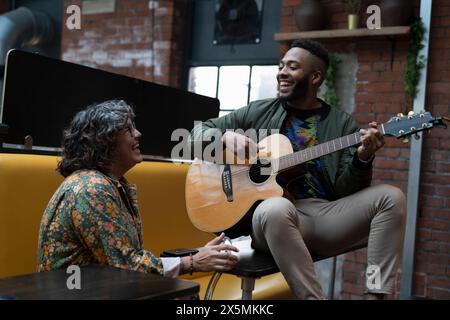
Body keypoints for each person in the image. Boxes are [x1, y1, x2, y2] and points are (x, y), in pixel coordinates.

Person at [190, 39, 406, 299]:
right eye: (282, 66)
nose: (282, 72)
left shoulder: (341, 124)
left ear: (315, 77)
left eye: (292, 67)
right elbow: (193, 135)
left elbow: (346, 190)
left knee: (392, 197)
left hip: (322, 215)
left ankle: (378, 293)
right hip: (269, 219)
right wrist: (223, 137)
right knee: (276, 207)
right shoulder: (258, 111)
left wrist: (363, 157)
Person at [37, 99, 238, 278]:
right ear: (105, 141)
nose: (138, 134)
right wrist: (193, 262)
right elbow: (127, 267)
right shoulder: (92, 189)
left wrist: (196, 255)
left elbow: (125, 262)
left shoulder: (108, 183)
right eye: (128, 129)